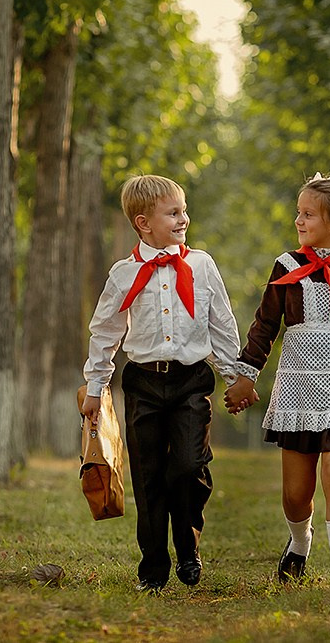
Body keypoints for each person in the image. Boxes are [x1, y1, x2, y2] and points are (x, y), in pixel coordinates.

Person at [81, 174, 258, 592]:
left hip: (190, 382)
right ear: (143, 223)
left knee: (189, 467)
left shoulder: (201, 265)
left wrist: (234, 377)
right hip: (142, 383)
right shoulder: (123, 274)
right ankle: (153, 568)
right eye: (173, 213)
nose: (184, 219)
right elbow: (105, 332)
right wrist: (95, 387)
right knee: (149, 476)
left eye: (184, 211)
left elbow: (221, 323)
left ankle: (188, 545)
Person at [224, 169, 330, 588]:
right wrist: (246, 375)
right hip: (298, 390)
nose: (298, 220)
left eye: (308, 214)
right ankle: (300, 541)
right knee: (296, 494)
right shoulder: (287, 267)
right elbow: (264, 326)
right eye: (298, 212)